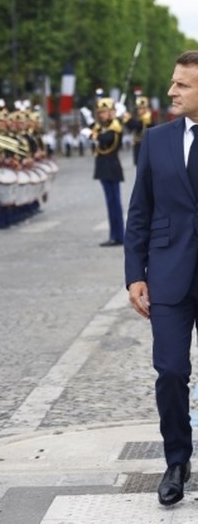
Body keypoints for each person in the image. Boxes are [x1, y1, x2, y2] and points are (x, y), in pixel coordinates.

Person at [125, 50, 198, 506]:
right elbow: (140, 212)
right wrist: (135, 274)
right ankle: (176, 460)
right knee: (171, 371)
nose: (171, 91)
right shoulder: (156, 139)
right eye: (173, 82)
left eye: (182, 85)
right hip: (170, 275)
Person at [92, 96, 124, 246]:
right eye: (100, 112)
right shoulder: (105, 127)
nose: (101, 115)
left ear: (111, 113)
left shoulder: (114, 126)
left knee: (114, 203)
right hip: (105, 169)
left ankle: (117, 236)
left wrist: (96, 134)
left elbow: (106, 140)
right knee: (111, 203)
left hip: (111, 168)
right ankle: (115, 234)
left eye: (105, 112)